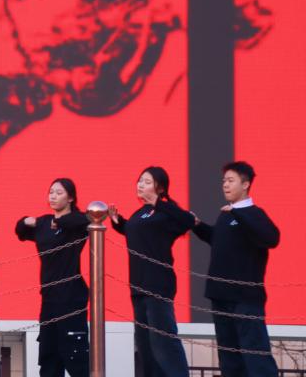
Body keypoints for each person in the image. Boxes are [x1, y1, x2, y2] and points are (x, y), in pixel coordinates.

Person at [192, 161, 280, 376]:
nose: (225, 185)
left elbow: (272, 238)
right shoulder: (226, 214)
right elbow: (218, 240)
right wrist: (198, 226)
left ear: (246, 184)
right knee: (229, 356)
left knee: (255, 354)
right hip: (221, 295)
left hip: (245, 299)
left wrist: (238, 214)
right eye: (224, 181)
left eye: (231, 181)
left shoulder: (254, 213)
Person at [108, 166, 192, 377]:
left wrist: (159, 202)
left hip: (158, 285)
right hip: (138, 285)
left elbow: (187, 221)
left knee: (163, 342)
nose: (140, 185)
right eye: (140, 181)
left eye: (147, 181)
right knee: (144, 344)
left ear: (160, 187)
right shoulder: (141, 212)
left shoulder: (166, 211)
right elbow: (133, 231)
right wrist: (118, 222)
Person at [16, 178, 89, 377]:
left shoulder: (76, 224)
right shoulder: (43, 223)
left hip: (71, 298)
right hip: (49, 298)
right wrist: (26, 220)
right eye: (51, 192)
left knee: (75, 357)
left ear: (71, 198)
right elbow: (20, 231)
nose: (53, 196)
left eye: (59, 192)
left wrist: (59, 221)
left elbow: (86, 219)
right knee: (49, 358)